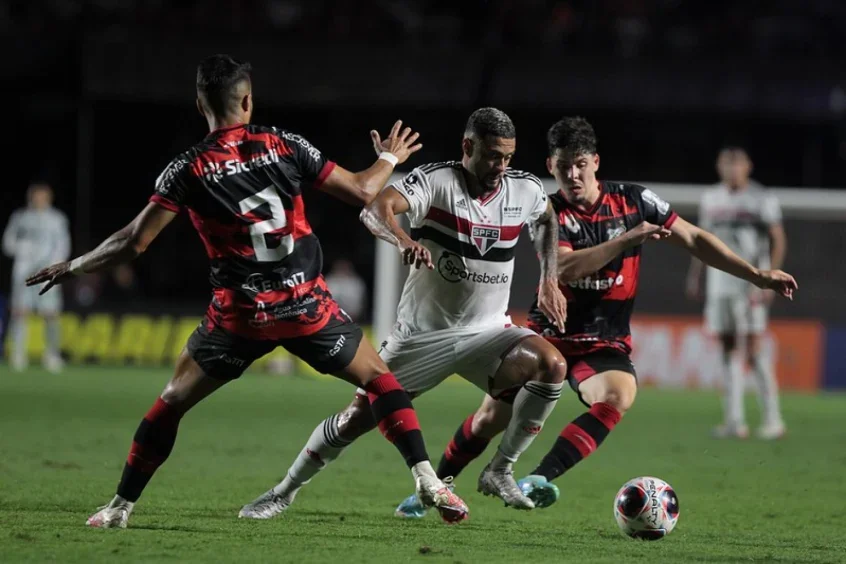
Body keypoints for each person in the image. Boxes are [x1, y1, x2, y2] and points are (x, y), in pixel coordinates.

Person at [26, 54, 467, 528]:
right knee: (381, 382)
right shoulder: (283, 143)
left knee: (171, 402)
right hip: (307, 308)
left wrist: (74, 265)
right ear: (248, 100)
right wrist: (389, 158)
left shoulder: (188, 168)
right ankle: (426, 476)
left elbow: (133, 243)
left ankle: (119, 508)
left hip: (239, 317)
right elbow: (363, 191)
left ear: (200, 104)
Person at [391, 117, 797, 518]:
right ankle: (435, 488)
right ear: (550, 166)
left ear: (596, 162)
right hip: (548, 335)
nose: (573, 174)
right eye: (563, 165)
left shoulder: (635, 201)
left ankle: (538, 477)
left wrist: (756, 275)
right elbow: (565, 268)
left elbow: (693, 238)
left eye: (581, 164)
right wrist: (626, 240)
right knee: (488, 418)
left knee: (619, 395)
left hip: (603, 339)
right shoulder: (546, 210)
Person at [238, 107, 570, 520]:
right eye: (491, 155)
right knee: (353, 421)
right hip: (423, 335)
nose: (501, 166)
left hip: (489, 331)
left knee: (551, 365)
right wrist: (400, 239)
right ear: (468, 146)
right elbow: (375, 209)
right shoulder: (436, 181)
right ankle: (284, 491)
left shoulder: (524, 189)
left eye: (508, 156)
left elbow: (547, 219)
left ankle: (500, 469)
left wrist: (549, 278)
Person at [686, 147, 787, 440]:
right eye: (726, 164)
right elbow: (700, 241)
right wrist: (696, 275)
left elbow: (778, 239)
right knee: (727, 349)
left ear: (748, 166)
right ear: (719, 167)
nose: (731, 169)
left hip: (751, 283)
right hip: (720, 284)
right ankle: (734, 420)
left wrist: (772, 275)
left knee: (754, 350)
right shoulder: (711, 197)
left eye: (736, 163)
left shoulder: (761, 198)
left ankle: (773, 419)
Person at [2, 182, 71, 373]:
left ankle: (52, 355)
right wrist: (21, 250)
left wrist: (56, 264)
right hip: (23, 272)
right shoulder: (20, 217)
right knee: (19, 312)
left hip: (48, 273)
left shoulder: (57, 219)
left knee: (51, 314)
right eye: (36, 196)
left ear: (49, 198)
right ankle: (18, 354)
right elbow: (8, 242)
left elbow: (63, 244)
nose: (39, 200)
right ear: (30, 197)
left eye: (43, 196)